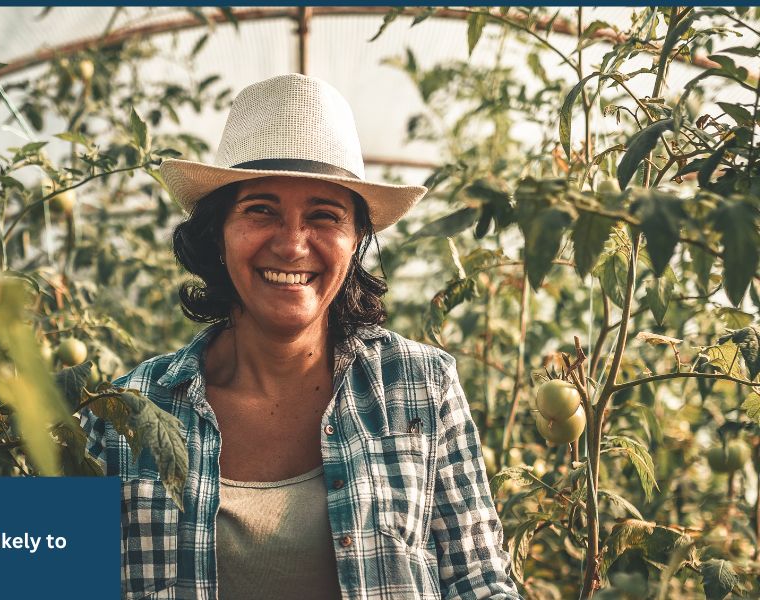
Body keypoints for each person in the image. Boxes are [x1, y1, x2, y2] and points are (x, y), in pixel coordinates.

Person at [83, 74, 519, 600]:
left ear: (356, 240)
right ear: (218, 232)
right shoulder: (127, 412)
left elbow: (480, 582)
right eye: (261, 210)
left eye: (324, 216)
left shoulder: (419, 387)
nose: (291, 246)